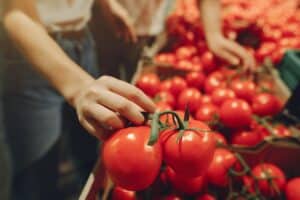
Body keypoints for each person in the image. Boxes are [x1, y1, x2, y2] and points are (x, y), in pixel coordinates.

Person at [1, 1, 155, 200]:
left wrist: (104, 3)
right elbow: (15, 14)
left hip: (83, 37)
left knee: (89, 155)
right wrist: (79, 88)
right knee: (36, 176)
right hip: (29, 54)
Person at [92, 0, 255, 82]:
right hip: (101, 22)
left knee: (133, 79)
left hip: (148, 25)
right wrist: (107, 3)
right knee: (100, 83)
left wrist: (214, 35)